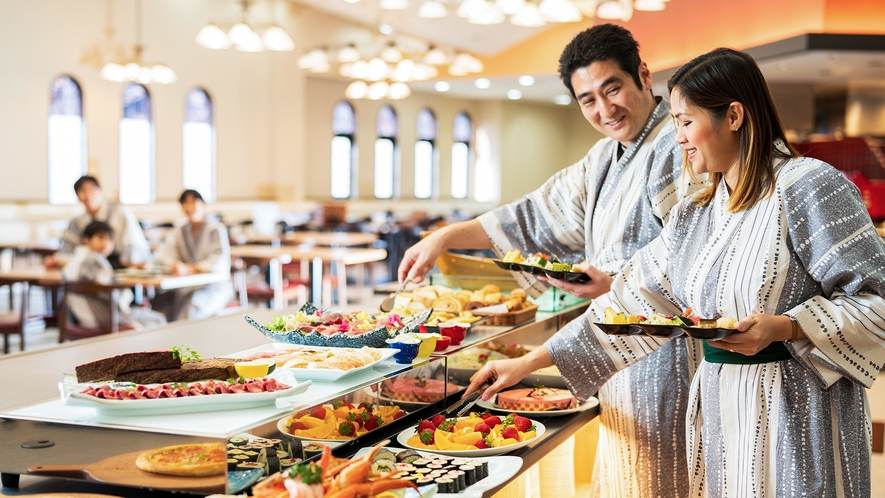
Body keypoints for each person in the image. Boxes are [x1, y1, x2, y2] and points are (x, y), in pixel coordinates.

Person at [466, 48, 885, 496]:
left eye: (685, 122)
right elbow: (628, 306)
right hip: (723, 411)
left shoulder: (808, 186)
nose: (679, 138)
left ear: (735, 115)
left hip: (798, 412)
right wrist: (528, 362)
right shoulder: (695, 212)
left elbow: (876, 299)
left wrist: (785, 327)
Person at [399, 25, 704, 497]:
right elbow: (535, 216)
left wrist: (615, 283)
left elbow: (698, 256)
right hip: (613, 348)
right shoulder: (603, 157)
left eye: (613, 88)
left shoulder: (682, 145)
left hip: (675, 353)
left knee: (671, 479)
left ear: (643, 75)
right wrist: (445, 236)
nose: (605, 110)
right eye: (588, 100)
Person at [62, 221, 166, 330]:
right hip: (105, 319)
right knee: (158, 319)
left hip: (83, 319)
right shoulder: (94, 260)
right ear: (86, 239)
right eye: (100, 238)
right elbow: (114, 291)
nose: (106, 243)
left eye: (110, 239)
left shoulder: (75, 259)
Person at [150, 189, 234, 321]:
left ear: (203, 205)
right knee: (162, 305)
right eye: (185, 203)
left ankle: (190, 341)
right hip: (186, 287)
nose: (190, 207)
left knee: (193, 305)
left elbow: (219, 262)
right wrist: (173, 264)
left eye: (194, 202)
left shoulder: (215, 229)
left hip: (214, 287)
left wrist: (189, 268)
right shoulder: (180, 231)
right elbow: (164, 254)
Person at [48, 176, 151, 269]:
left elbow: (132, 241)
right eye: (82, 191)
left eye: (92, 190)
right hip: (89, 267)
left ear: (100, 191)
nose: (88, 195)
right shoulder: (77, 222)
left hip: (120, 265)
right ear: (77, 196)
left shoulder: (119, 212)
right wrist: (58, 260)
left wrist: (128, 263)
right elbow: (68, 249)